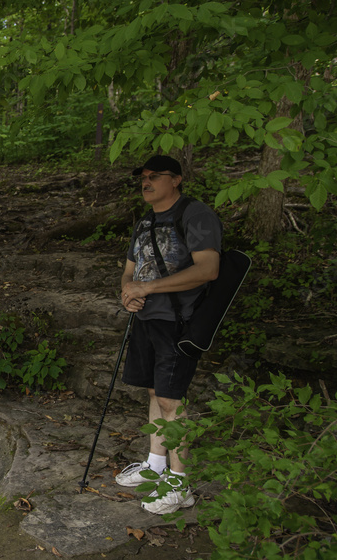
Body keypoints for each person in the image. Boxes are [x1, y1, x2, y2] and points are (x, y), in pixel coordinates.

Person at [116, 154, 222, 515]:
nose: (146, 182)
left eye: (155, 176)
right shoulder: (145, 221)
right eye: (143, 177)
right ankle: (155, 466)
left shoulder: (195, 215)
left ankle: (180, 484)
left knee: (171, 401)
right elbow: (130, 270)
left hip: (180, 321)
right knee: (154, 392)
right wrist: (129, 292)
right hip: (147, 318)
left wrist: (149, 288)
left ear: (175, 179)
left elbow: (208, 270)